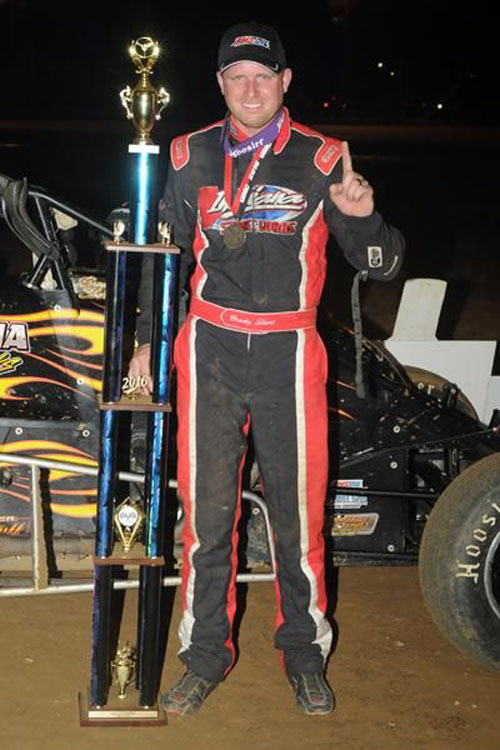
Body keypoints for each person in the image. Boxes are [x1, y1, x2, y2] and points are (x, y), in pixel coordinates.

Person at [129, 21, 405, 717]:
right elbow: (166, 258)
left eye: (263, 76)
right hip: (209, 349)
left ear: (285, 81)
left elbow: (382, 264)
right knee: (207, 516)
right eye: (237, 77)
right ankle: (204, 656)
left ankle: (305, 656)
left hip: (289, 352)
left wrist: (365, 220)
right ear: (220, 83)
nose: (251, 90)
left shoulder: (322, 157)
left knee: (297, 518)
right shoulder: (187, 154)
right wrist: (145, 342)